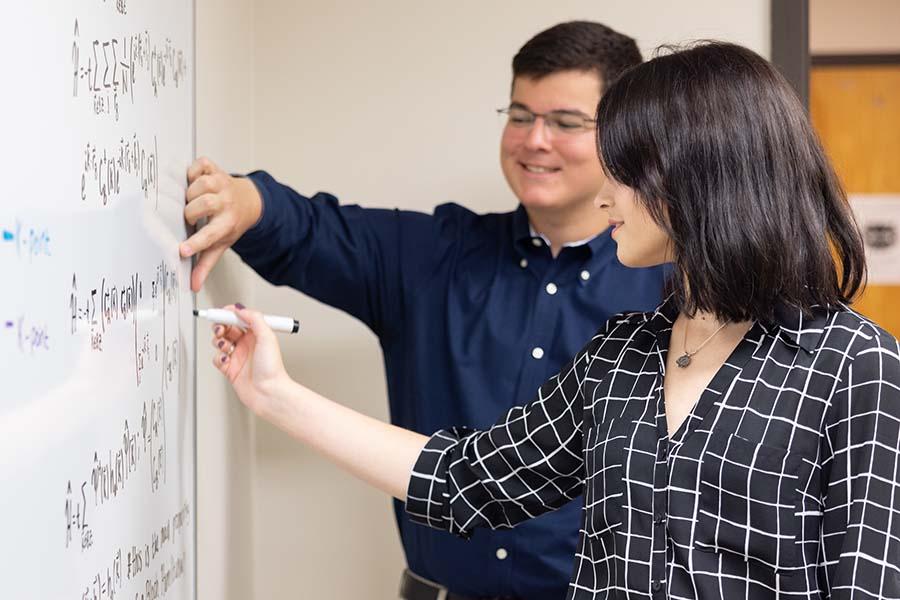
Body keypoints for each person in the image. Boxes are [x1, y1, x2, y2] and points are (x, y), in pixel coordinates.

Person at [209, 42, 900, 599]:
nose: (604, 193)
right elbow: (463, 479)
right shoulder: (621, 357)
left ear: (700, 177)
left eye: (623, 170)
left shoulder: (852, 365)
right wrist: (273, 392)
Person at [183, 21, 667, 600]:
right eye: (519, 116)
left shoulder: (674, 293)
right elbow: (317, 232)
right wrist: (247, 200)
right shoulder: (437, 255)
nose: (535, 140)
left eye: (564, 123)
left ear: (623, 137)